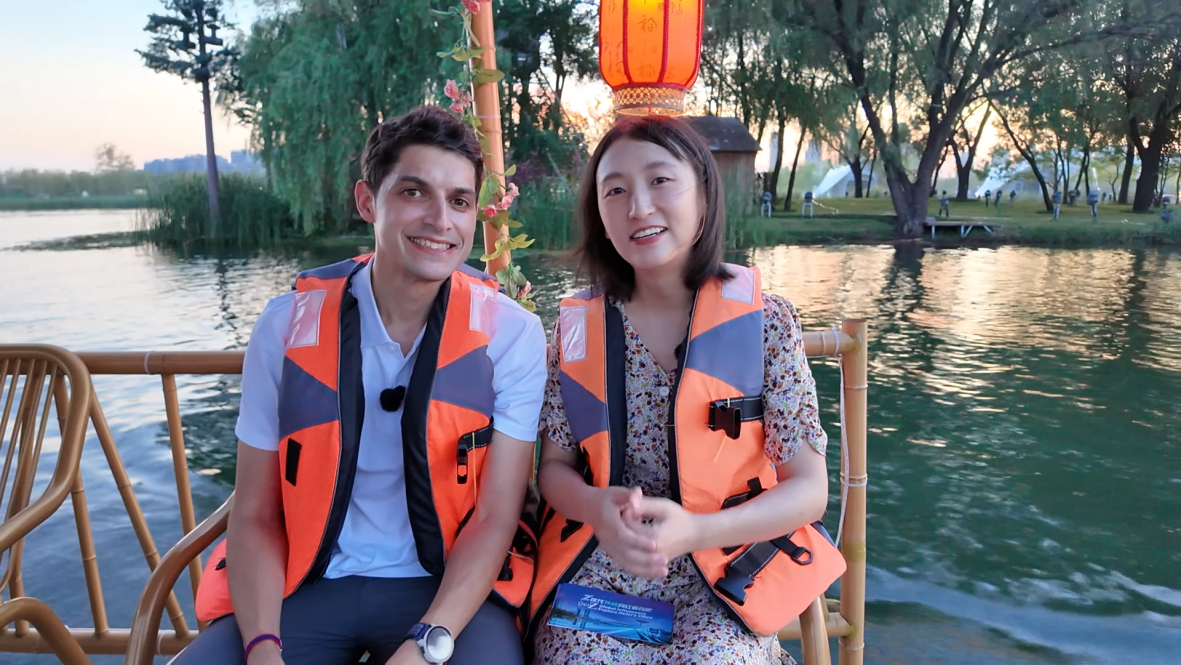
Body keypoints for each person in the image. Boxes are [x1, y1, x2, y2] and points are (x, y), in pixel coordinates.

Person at [173, 106, 548, 665]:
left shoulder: (510, 334)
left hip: (445, 587)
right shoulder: (285, 328)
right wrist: (262, 648)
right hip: (306, 581)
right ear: (368, 201)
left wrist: (424, 647)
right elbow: (254, 513)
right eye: (414, 193)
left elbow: (496, 517)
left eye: (460, 201)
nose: (440, 219)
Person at [527, 116, 843, 665]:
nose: (638, 207)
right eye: (615, 190)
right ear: (599, 215)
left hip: (730, 560)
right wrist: (596, 507)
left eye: (660, 180)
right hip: (605, 564)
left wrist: (697, 530)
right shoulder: (576, 332)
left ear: (703, 195)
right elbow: (553, 470)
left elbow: (810, 490)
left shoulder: (767, 323)